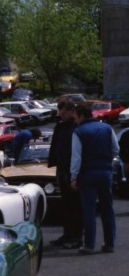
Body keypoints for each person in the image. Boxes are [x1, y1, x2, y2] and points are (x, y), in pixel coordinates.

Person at [70, 102, 119, 254]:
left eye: (76, 118)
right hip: (105, 171)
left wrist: (74, 176)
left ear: (81, 116)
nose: (75, 121)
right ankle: (110, 243)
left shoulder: (79, 132)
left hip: (88, 173)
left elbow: (76, 157)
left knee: (89, 210)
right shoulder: (107, 128)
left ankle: (89, 245)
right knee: (107, 208)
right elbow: (115, 149)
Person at [48, 100, 83, 248]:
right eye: (60, 113)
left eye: (64, 113)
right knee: (66, 205)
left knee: (75, 205)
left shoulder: (77, 127)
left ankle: (76, 237)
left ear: (71, 111)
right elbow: (55, 145)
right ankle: (67, 234)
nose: (61, 116)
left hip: (72, 170)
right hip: (62, 169)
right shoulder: (61, 127)